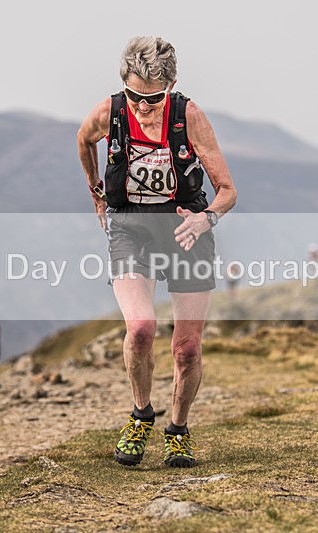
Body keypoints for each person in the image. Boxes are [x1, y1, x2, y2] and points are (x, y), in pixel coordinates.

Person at [77, 36, 237, 468]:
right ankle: (141, 413)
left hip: (187, 230)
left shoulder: (189, 116)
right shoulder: (109, 111)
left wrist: (207, 218)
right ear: (123, 86)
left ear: (170, 86)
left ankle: (178, 430)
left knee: (186, 348)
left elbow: (227, 191)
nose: (143, 106)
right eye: (135, 96)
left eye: (154, 98)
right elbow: (83, 140)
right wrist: (96, 192)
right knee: (142, 328)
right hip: (130, 227)